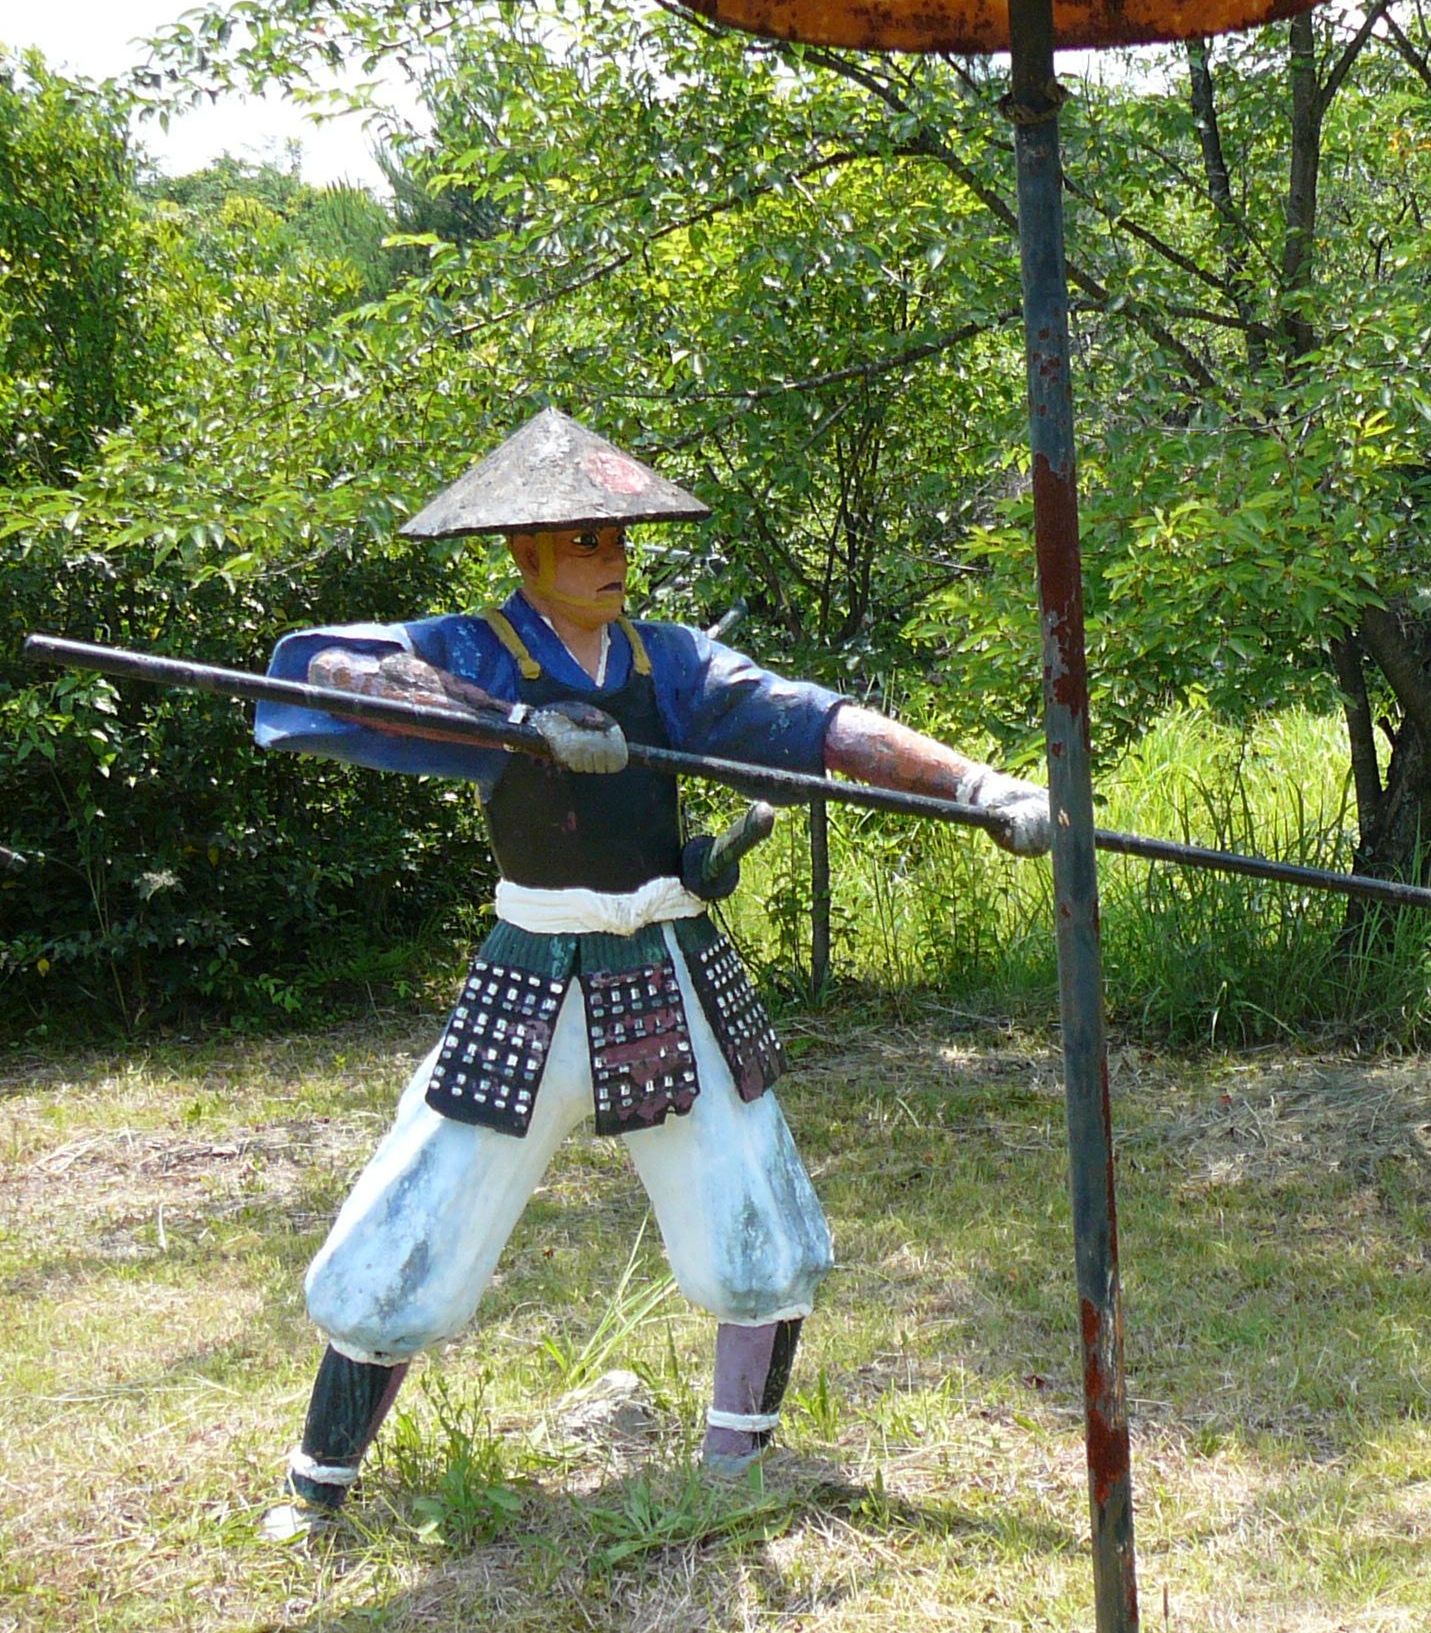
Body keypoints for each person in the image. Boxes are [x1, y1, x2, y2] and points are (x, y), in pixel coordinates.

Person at [249, 407, 1054, 1539]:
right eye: (585, 539)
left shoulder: (665, 661)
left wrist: (975, 786)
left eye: (618, 536)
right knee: (417, 1215)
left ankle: (735, 1473)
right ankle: (318, 1484)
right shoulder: (478, 648)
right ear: (525, 550)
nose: (611, 557)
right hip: (533, 971)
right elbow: (331, 669)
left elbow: (809, 719)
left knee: (757, 1216)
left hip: (670, 960)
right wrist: (518, 721)